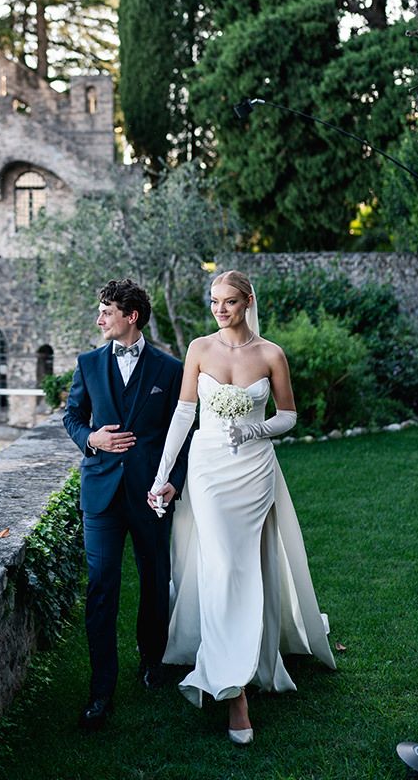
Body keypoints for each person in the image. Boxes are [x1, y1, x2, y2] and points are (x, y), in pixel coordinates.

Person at [148, 269, 336, 745]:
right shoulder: (198, 349)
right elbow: (184, 415)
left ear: (247, 301)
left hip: (254, 472)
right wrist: (163, 474)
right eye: (214, 301)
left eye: (228, 301)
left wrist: (257, 429)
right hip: (209, 470)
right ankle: (234, 692)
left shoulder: (271, 353)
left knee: (246, 567)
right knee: (223, 566)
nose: (219, 309)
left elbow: (289, 416)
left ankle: (251, 654)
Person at [63, 278, 192, 730]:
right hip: (100, 493)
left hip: (150, 492)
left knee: (156, 578)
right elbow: (72, 417)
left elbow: (186, 432)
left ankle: (152, 663)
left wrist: (174, 481)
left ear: (130, 316)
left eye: (106, 310)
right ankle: (101, 690)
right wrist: (91, 439)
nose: (99, 318)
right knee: (101, 586)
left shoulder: (169, 369)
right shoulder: (88, 363)